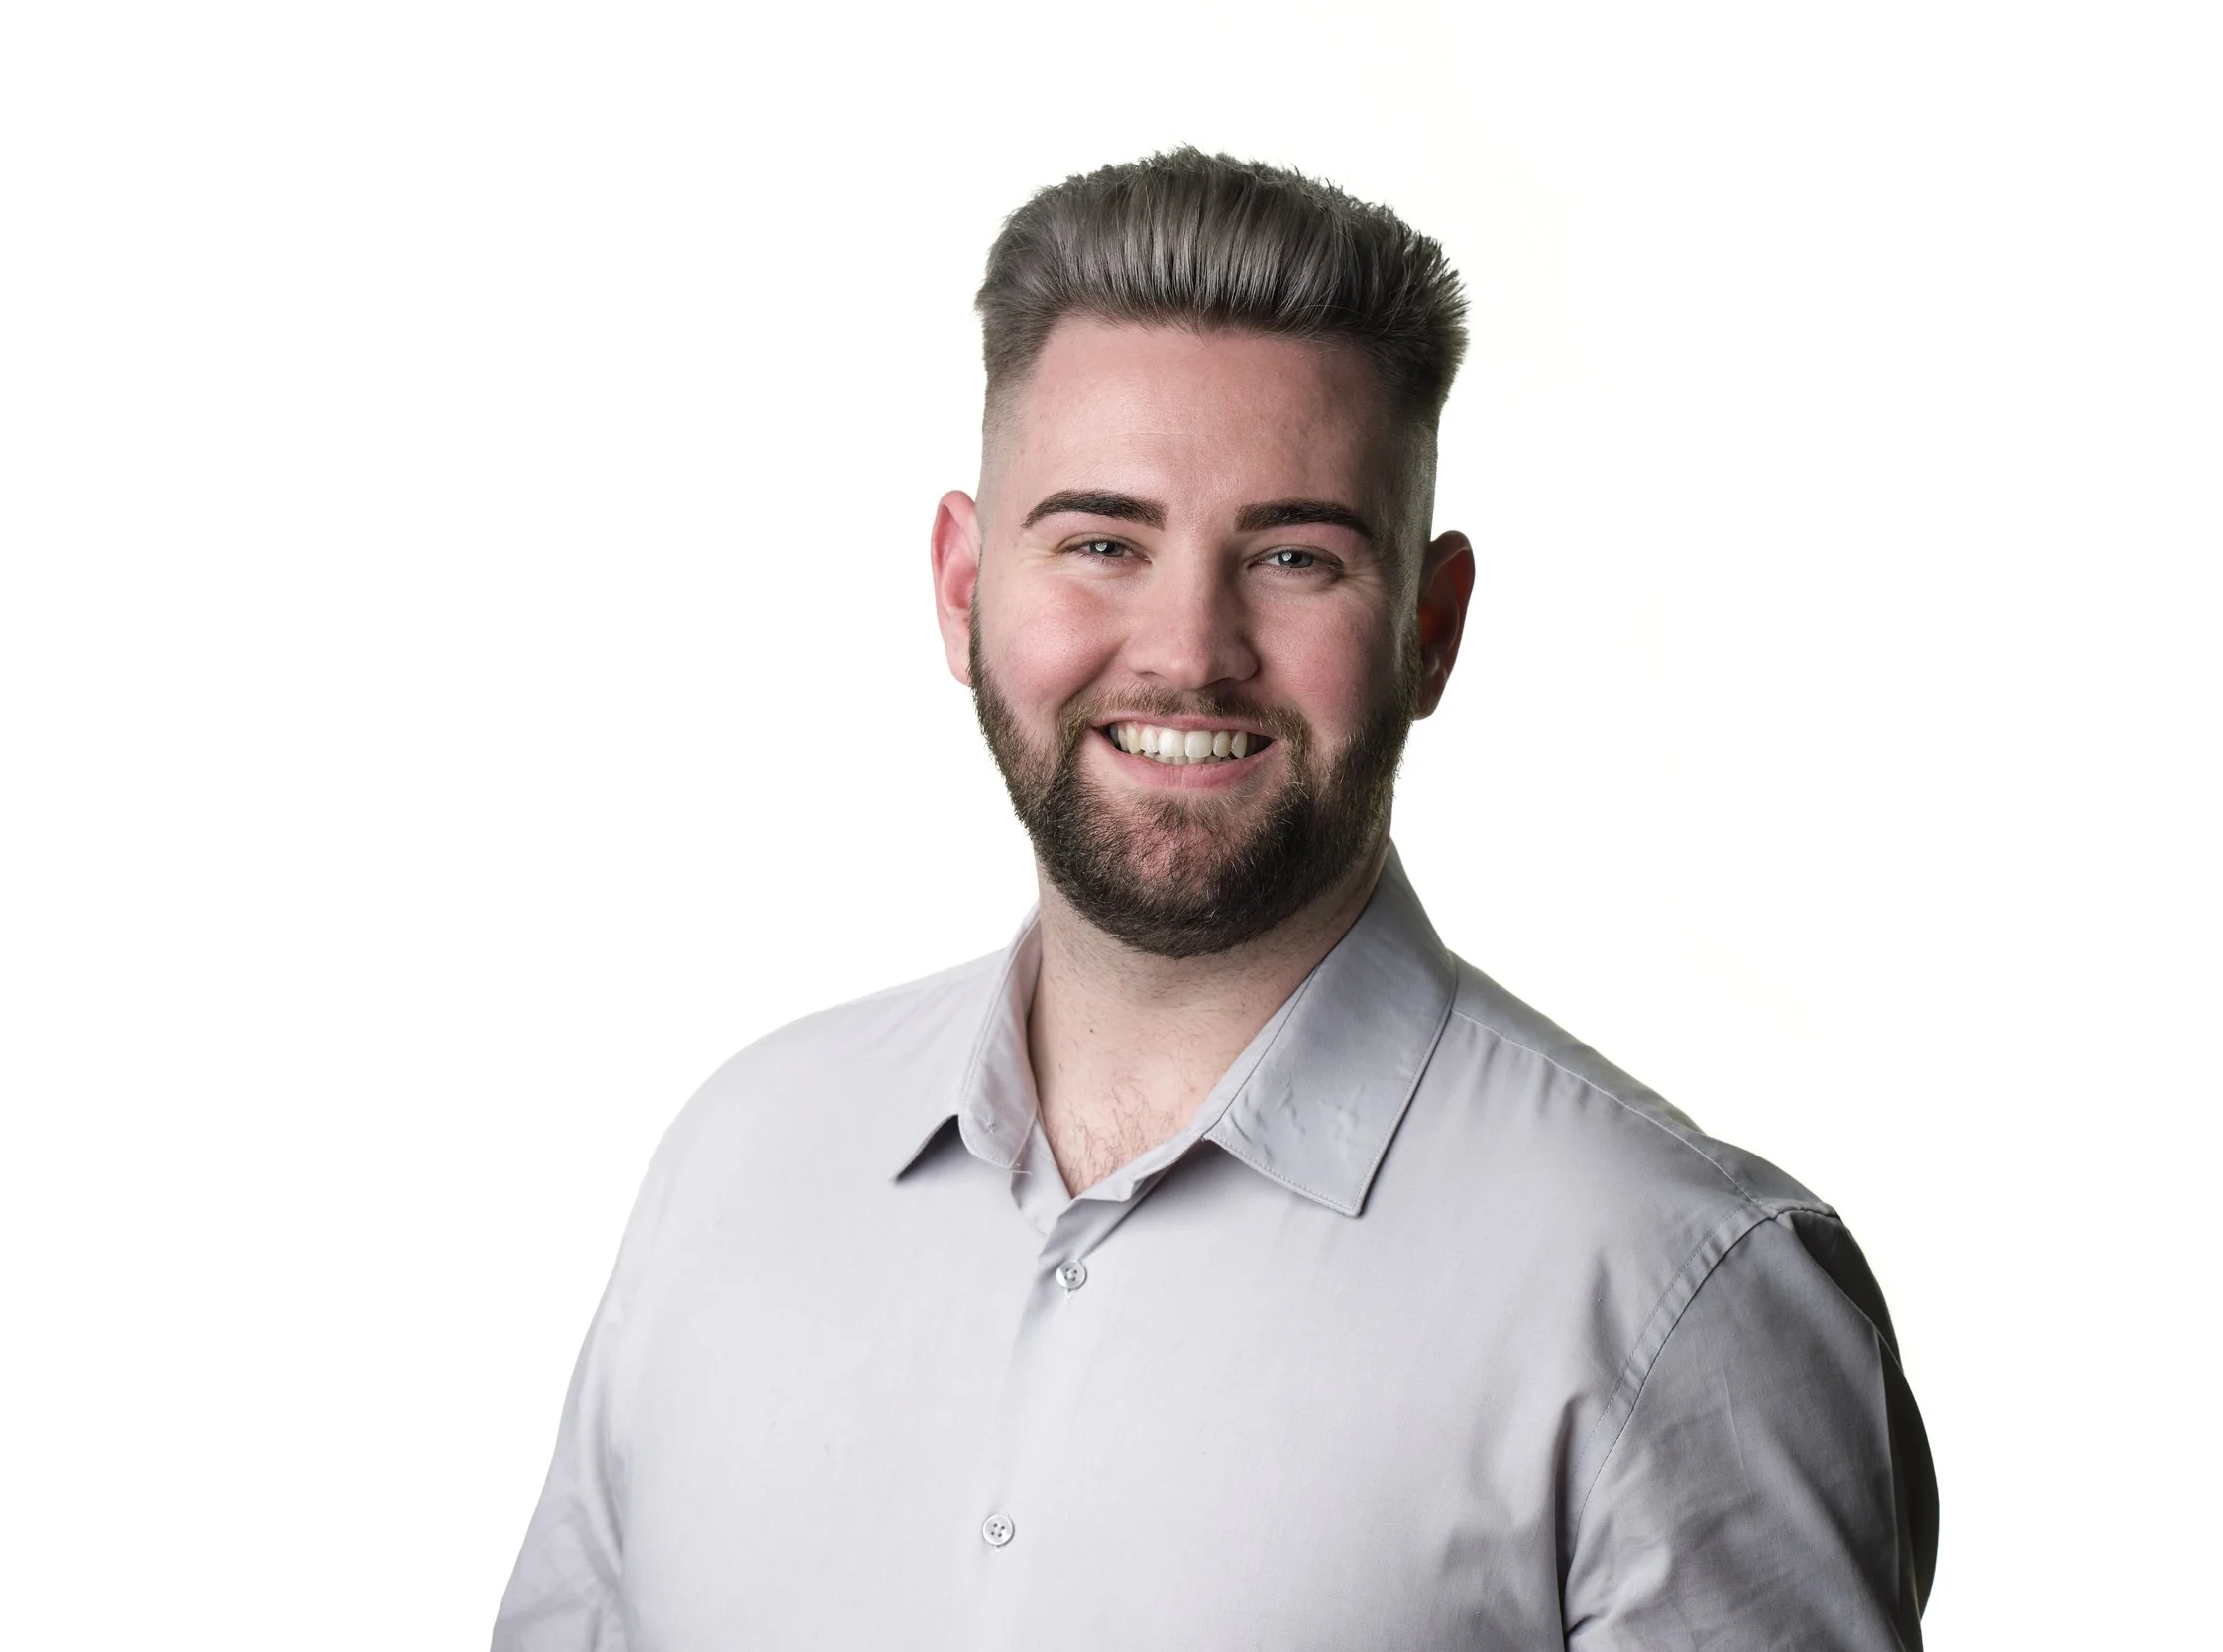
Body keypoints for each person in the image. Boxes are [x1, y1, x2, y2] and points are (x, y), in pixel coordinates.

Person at [493, 148, 1937, 1651]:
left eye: (1296, 554)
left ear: (1430, 631)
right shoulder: (739, 1165)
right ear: (960, 587)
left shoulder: (1673, 1291)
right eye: (1103, 541)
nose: (1188, 647)